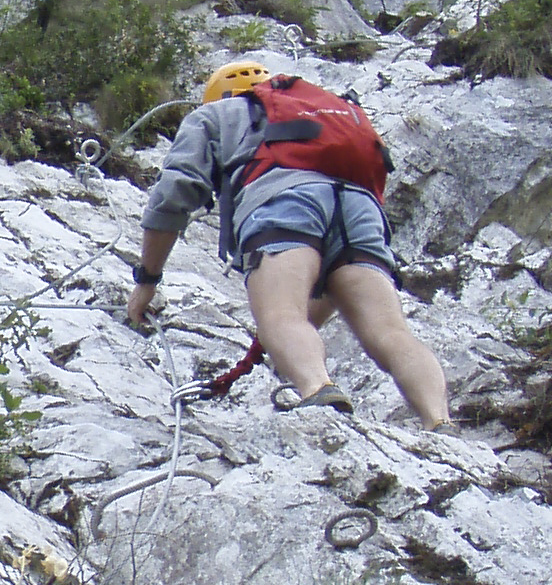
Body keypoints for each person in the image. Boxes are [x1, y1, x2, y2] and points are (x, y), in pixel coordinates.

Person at [125, 57, 449, 426]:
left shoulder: (215, 115)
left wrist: (148, 280)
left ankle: (318, 390)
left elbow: (175, 191)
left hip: (285, 203)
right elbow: (320, 293)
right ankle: (439, 421)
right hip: (360, 209)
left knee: (280, 315)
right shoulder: (323, 111)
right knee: (391, 333)